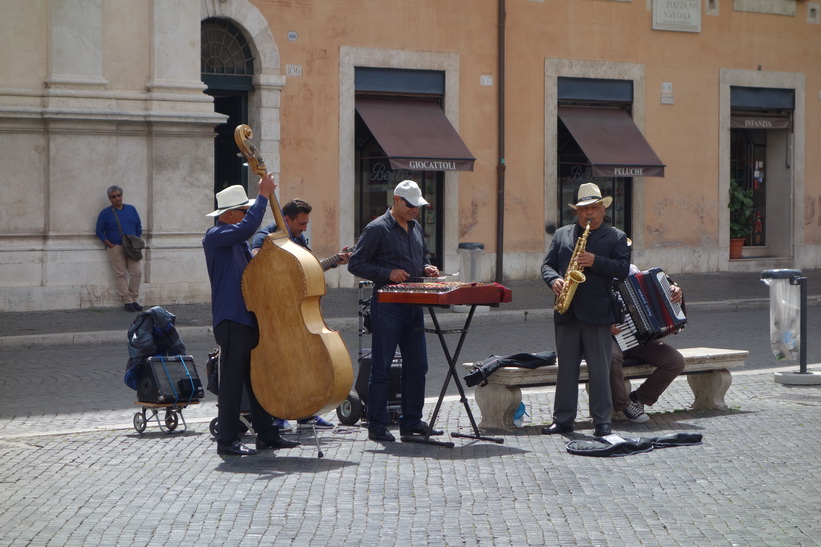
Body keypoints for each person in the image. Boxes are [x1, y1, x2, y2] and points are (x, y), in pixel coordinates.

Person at [203, 180, 300, 456]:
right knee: (232, 382)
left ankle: (267, 433)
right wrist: (263, 196)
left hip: (247, 317)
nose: (246, 215)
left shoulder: (237, 242)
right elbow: (248, 227)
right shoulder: (216, 235)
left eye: (247, 211)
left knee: (258, 379)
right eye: (243, 211)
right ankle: (227, 440)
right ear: (229, 214)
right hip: (231, 319)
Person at [347, 180, 442, 443]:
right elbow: (356, 264)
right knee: (381, 367)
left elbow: (422, 257)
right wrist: (387, 273)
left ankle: (411, 421)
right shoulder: (376, 228)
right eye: (411, 206)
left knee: (418, 365)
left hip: (413, 304)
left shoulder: (415, 226)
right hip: (387, 306)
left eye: (418, 206)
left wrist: (427, 267)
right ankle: (376, 424)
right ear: (397, 200)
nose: (416, 211)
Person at [250, 198, 351, 430]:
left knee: (306, 364)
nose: (304, 228)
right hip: (276, 313)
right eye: (301, 224)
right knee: (281, 366)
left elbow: (308, 270)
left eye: (306, 224)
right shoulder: (265, 236)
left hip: (298, 312)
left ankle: (307, 413)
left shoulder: (299, 239)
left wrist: (336, 261)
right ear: (286, 219)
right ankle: (278, 414)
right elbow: (256, 264)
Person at [540, 182, 630, 438]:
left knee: (600, 370)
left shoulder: (616, 237)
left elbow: (623, 269)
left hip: (598, 312)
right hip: (566, 311)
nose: (589, 213)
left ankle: (602, 422)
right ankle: (563, 420)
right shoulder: (562, 234)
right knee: (566, 369)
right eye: (583, 209)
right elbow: (546, 266)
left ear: (603, 209)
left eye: (594, 208)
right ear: (576, 212)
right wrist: (554, 279)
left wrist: (595, 261)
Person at [611, 264, 686, 423]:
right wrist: (603, 323)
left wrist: (675, 291)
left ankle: (639, 398)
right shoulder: (594, 274)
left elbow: (661, 291)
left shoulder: (633, 271)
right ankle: (624, 405)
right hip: (611, 338)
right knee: (611, 357)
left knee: (675, 361)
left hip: (640, 338)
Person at [95, 185, 143, 312]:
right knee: (120, 274)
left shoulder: (131, 209)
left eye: (118, 195)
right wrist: (110, 244)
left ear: (122, 195)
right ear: (110, 199)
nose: (117, 198)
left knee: (136, 273)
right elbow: (99, 231)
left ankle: (134, 298)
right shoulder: (105, 213)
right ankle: (127, 301)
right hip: (116, 247)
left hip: (132, 247)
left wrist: (135, 241)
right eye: (113, 197)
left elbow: (138, 227)